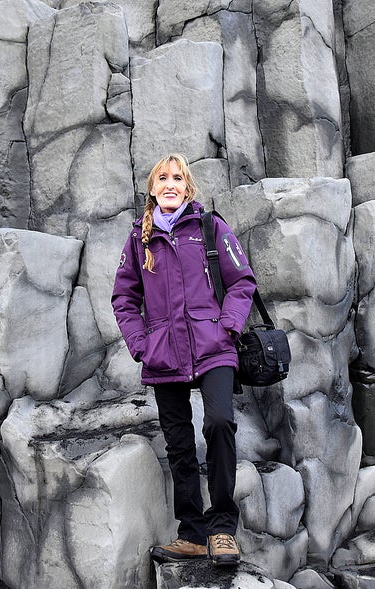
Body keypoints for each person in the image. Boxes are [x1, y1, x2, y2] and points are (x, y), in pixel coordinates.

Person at [111, 153, 256, 567]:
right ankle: (192, 534)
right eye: (163, 178)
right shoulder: (139, 240)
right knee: (178, 444)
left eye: (178, 178)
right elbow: (124, 298)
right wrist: (142, 343)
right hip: (164, 354)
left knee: (220, 423)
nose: (170, 184)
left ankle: (223, 529)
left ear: (187, 188)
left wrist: (227, 326)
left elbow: (242, 281)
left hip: (214, 349)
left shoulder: (211, 228)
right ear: (152, 188)